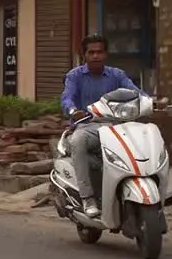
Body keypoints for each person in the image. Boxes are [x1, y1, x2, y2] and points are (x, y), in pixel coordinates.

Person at [60, 34, 143, 218]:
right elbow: (67, 98)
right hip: (88, 127)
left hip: (117, 128)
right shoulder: (74, 76)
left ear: (106, 55)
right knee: (78, 140)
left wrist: (151, 101)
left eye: (100, 52)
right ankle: (87, 198)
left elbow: (134, 91)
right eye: (91, 52)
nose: (96, 56)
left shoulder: (117, 75)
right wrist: (73, 111)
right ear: (85, 55)